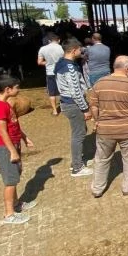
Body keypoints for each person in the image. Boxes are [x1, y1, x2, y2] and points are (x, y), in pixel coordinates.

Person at [90, 56, 128, 196]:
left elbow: (94, 106)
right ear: (127, 69)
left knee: (101, 159)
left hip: (105, 129)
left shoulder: (99, 83)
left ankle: (97, 189)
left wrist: (97, 120)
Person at [0, 75, 36, 225]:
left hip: (13, 143)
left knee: (15, 175)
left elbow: (14, 124)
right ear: (8, 89)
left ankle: (16, 204)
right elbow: (2, 131)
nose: (19, 90)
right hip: (5, 146)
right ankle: (9, 214)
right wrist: (12, 151)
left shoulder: (6, 104)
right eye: (17, 87)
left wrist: (24, 137)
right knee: (10, 180)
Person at [54, 38, 93, 177]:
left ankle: (78, 160)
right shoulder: (70, 68)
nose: (81, 52)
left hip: (67, 103)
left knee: (80, 132)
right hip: (73, 104)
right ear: (74, 50)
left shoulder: (61, 63)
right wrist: (85, 108)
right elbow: (76, 92)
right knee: (78, 134)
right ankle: (77, 167)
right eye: (79, 50)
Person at [37, 32, 63, 115]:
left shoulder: (43, 49)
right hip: (61, 71)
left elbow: (39, 62)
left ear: (49, 41)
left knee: (52, 93)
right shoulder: (62, 48)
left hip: (50, 72)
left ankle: (55, 110)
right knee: (63, 89)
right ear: (59, 40)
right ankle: (63, 107)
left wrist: (48, 62)